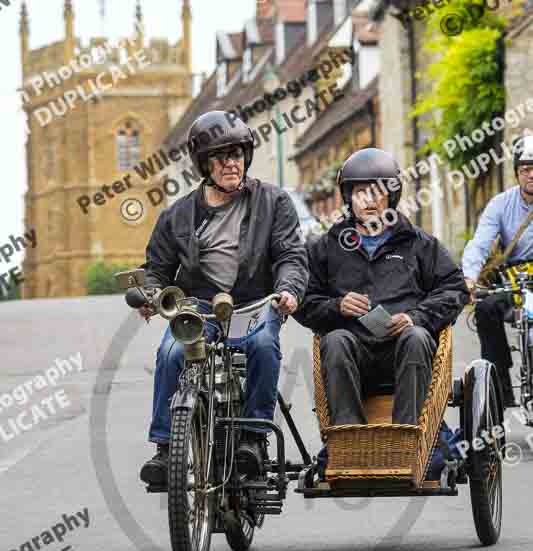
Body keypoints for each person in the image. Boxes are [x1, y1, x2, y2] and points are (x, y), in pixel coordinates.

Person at [139, 110, 308, 485]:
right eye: (221, 155)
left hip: (256, 302)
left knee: (264, 345)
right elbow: (156, 268)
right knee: (170, 353)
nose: (232, 162)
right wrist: (152, 294)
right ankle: (166, 450)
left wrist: (288, 290)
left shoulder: (273, 202)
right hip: (199, 305)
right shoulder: (179, 215)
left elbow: (291, 256)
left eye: (237, 154)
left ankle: (252, 437)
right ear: (204, 163)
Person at [294, 147, 469, 429]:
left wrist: (416, 317)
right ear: (349, 197)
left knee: (417, 336)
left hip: (406, 354)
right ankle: (348, 440)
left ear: (392, 195)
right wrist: (336, 306)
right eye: (360, 192)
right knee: (335, 341)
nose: (369, 201)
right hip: (353, 354)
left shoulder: (419, 244)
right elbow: (302, 299)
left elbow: (455, 290)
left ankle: (408, 438)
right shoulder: (326, 247)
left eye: (378, 191)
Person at [462, 135, 533, 407]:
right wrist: (469, 277)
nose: (531, 174)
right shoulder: (500, 205)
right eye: (525, 169)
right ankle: (500, 382)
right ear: (516, 172)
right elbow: (479, 244)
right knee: (486, 308)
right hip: (515, 282)